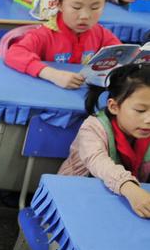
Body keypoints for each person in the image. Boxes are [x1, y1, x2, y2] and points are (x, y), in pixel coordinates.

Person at [4, 0, 122, 89]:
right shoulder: (44, 34)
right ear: (59, 4)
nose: (85, 15)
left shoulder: (101, 34)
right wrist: (51, 74)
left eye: (95, 7)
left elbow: (122, 55)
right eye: (77, 7)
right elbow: (14, 54)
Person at [59, 63, 150, 217]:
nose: (148, 119)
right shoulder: (93, 128)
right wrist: (129, 187)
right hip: (76, 197)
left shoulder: (143, 129)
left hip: (123, 201)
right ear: (114, 106)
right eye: (140, 110)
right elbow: (98, 161)